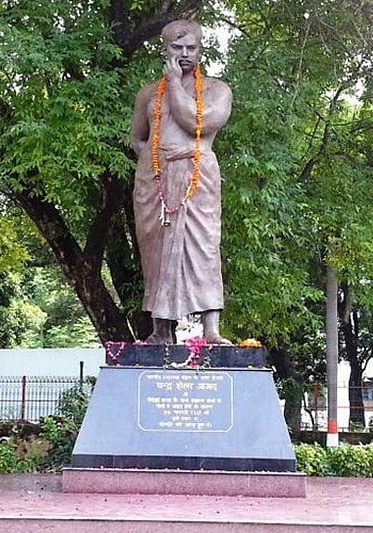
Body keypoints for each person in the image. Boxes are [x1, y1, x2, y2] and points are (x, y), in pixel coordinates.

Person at [130, 20, 233, 345]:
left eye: (192, 48)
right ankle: (161, 330)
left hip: (197, 177)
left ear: (201, 51)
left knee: (203, 246)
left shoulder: (216, 90)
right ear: (164, 50)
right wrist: (154, 158)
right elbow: (136, 138)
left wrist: (174, 84)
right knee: (156, 253)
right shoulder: (147, 93)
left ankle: (211, 329)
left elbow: (197, 122)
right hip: (156, 181)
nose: (185, 54)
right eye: (177, 48)